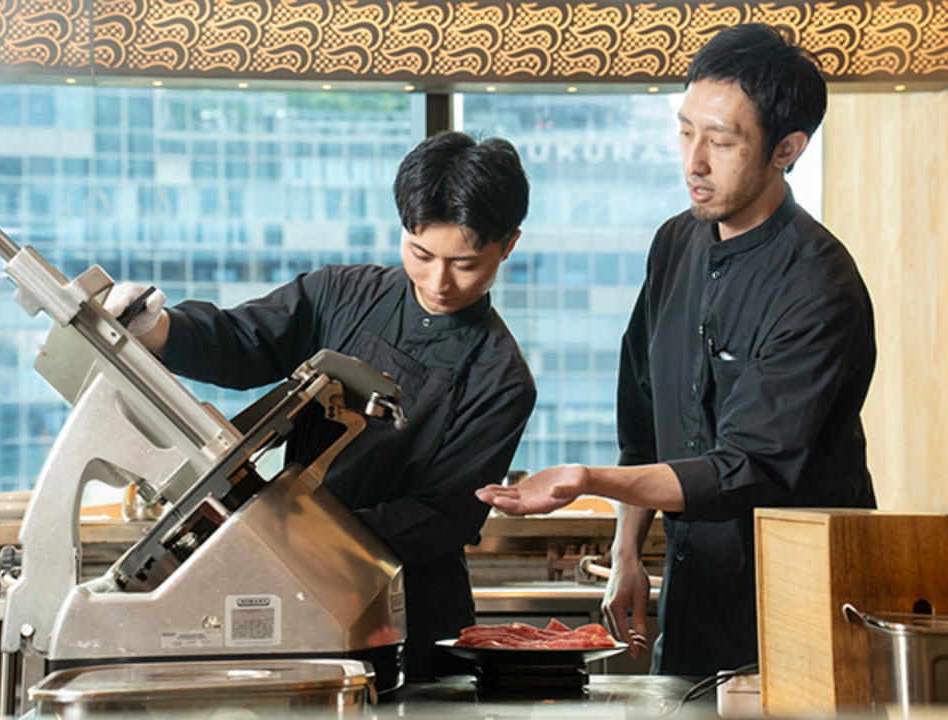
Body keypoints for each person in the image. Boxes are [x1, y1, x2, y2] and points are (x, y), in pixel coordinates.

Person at [476, 23, 877, 678]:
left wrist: (588, 482)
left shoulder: (818, 284)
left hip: (801, 610)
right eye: (685, 130)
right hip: (693, 604)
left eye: (721, 140)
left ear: (787, 148)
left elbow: (746, 467)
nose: (694, 161)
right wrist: (628, 552)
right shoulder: (674, 245)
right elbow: (645, 426)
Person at [105, 131, 536, 680]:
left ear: (509, 245)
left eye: (465, 264)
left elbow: (440, 516)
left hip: (410, 608)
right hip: (293, 591)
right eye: (420, 253)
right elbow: (244, 341)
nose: (438, 281)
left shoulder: (502, 379)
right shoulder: (342, 293)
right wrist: (160, 328)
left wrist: (286, 536)